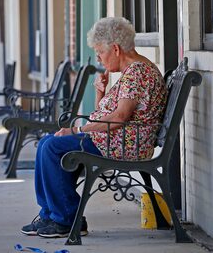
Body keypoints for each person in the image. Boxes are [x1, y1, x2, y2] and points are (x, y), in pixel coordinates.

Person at [21, 16, 167, 239]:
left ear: (116, 49)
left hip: (124, 144)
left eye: (100, 52)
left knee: (51, 147)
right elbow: (108, 116)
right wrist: (100, 92)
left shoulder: (137, 74)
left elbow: (118, 118)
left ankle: (66, 220)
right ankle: (52, 214)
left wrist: (76, 131)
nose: (99, 58)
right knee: (47, 143)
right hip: (117, 139)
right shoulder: (133, 72)